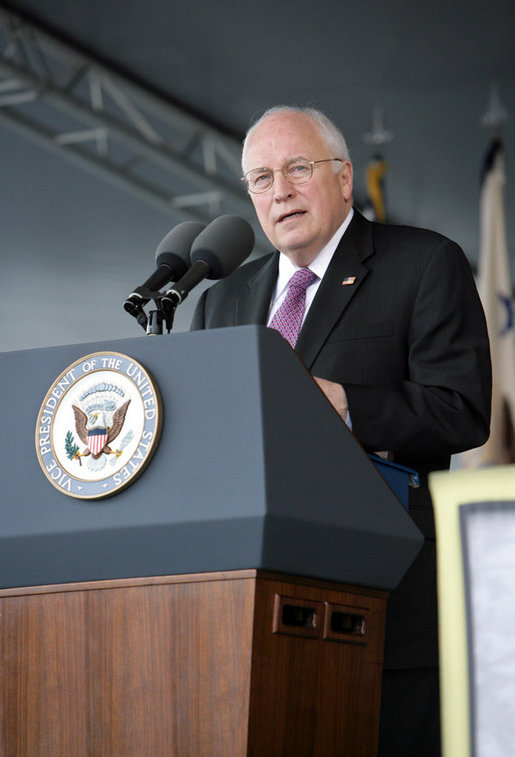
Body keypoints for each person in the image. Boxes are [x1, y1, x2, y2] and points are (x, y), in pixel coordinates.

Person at [190, 105, 491, 756]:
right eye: (261, 177)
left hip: (387, 599)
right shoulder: (220, 299)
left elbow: (461, 409)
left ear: (344, 177)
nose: (280, 190)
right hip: (253, 603)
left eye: (298, 168)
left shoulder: (423, 262)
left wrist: (344, 403)